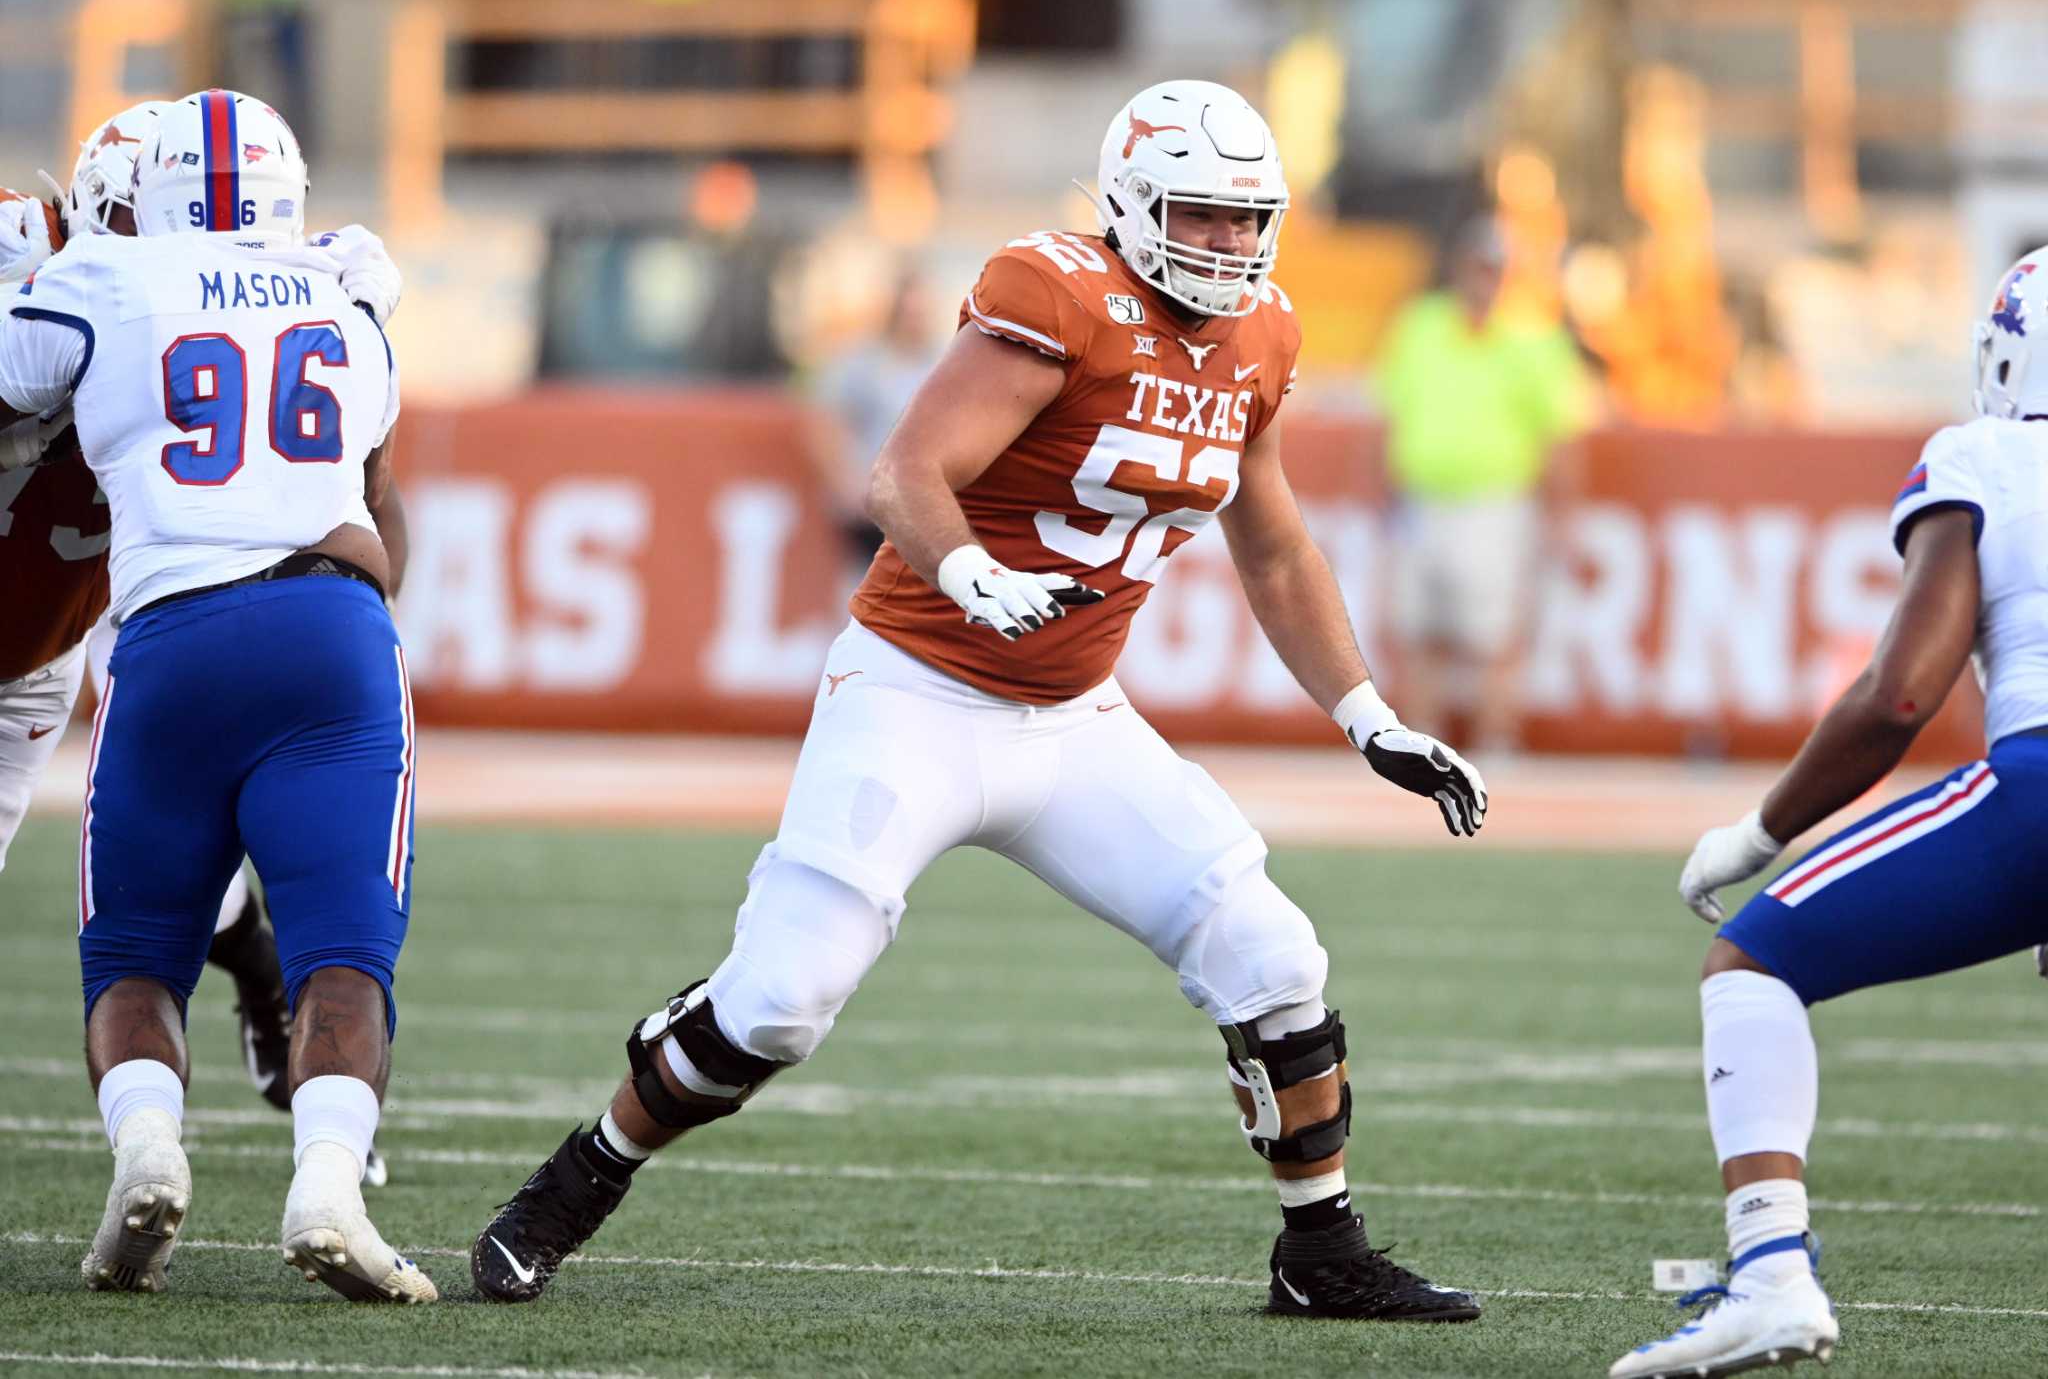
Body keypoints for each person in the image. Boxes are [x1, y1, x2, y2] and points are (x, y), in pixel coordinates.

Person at [471, 80, 1489, 1319]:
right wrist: (970, 570)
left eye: (1244, 217)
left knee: (1271, 952)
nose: (1227, 242)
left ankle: (1319, 1251)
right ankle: (582, 1174)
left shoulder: (1261, 333)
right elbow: (901, 474)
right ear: (1128, 204)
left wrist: (1366, 714)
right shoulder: (1056, 293)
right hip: (915, 692)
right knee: (778, 1003)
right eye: (1200, 215)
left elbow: (1271, 548)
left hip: (1072, 722)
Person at [0, 88, 432, 1301]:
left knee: (133, 955)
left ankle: (148, 1155)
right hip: (332, 626)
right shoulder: (353, 289)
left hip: (171, 637)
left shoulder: (102, 280)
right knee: (345, 956)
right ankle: (330, 1187)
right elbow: (381, 513)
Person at [1608, 249, 2048, 1378]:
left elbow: (1899, 691)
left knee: (1751, 959)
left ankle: (1767, 1277)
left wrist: (1760, 828)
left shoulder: (1984, 454)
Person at [1375, 216, 1590, 750]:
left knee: (1494, 631)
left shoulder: (1533, 338)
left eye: (1495, 269)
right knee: (1416, 626)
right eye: (1478, 267)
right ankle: (1421, 740)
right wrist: (1381, 494)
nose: (1485, 279)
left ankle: (1497, 738)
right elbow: (1390, 417)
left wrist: (1564, 516)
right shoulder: (1421, 326)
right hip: (1421, 499)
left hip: (1493, 501)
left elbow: (1560, 437)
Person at [803, 266, 942, 569]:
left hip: (922, 503)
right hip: (871, 499)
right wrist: (846, 483)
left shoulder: (940, 362)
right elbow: (827, 422)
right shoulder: (861, 363)